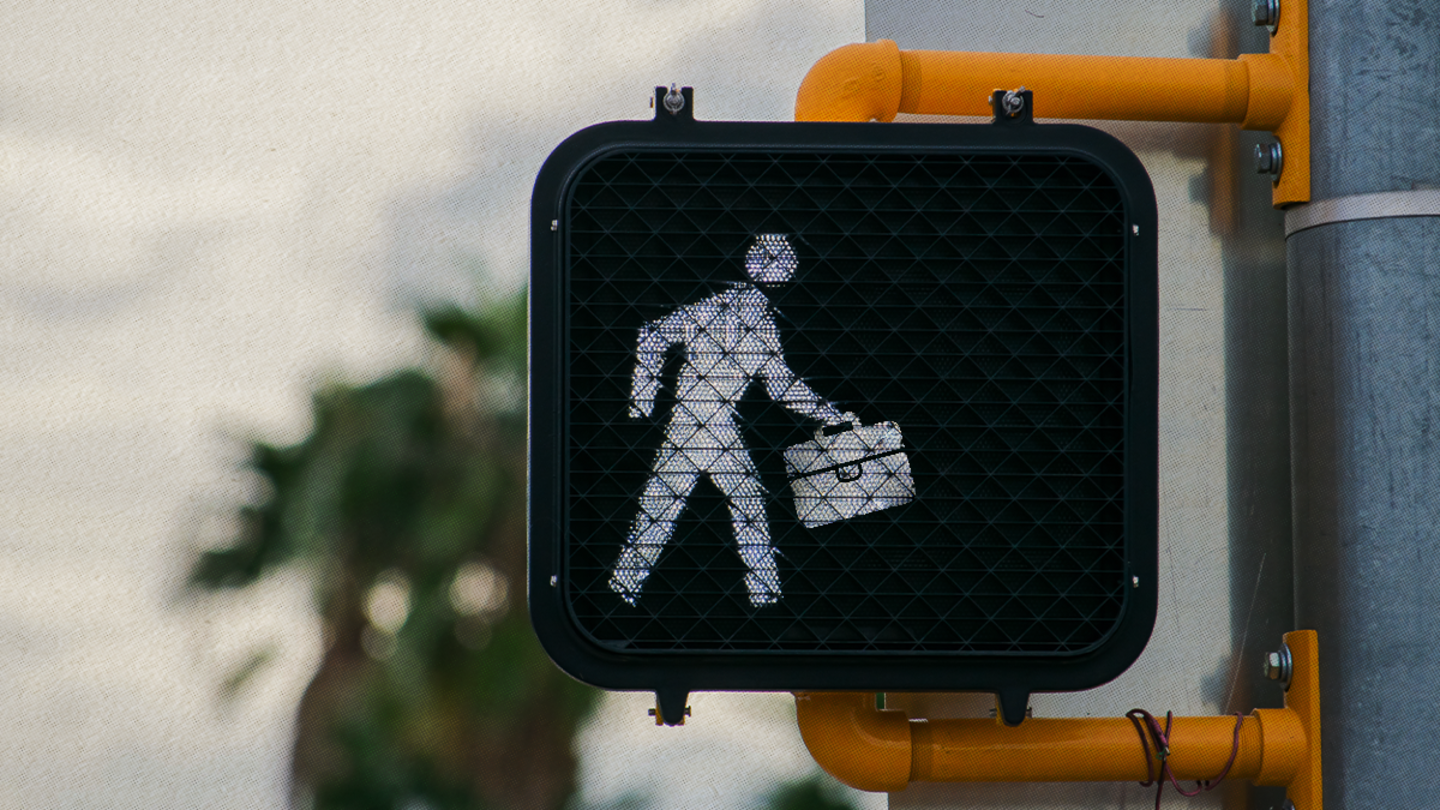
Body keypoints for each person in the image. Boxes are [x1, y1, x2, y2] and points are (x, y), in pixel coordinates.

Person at [610, 234, 848, 607]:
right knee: (687, 507)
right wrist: (642, 404)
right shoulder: (720, 309)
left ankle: (762, 597)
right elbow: (652, 335)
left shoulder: (755, 319)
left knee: (724, 503)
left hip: (714, 425)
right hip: (694, 424)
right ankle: (762, 597)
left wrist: (830, 412)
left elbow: (781, 386)